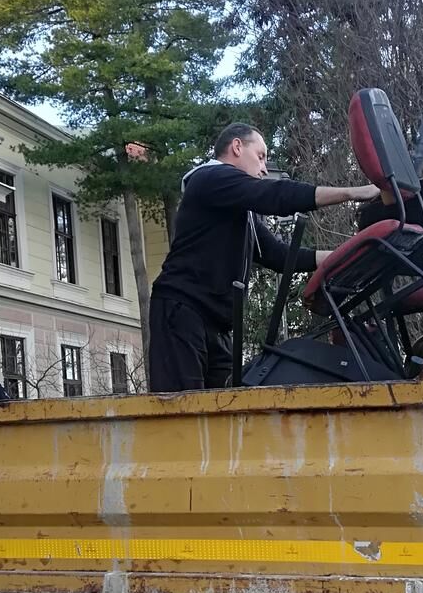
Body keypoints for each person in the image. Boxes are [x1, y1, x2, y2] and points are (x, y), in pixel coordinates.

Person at [149, 122, 379, 393]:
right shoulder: (210, 178)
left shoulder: (238, 208)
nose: (265, 168)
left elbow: (279, 255)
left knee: (224, 407)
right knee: (181, 412)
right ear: (236, 147)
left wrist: (349, 254)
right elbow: (274, 195)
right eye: (261, 156)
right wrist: (352, 193)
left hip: (215, 325)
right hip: (182, 310)